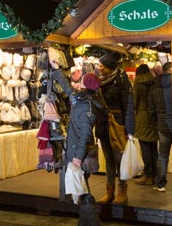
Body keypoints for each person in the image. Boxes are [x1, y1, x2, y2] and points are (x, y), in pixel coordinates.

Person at [52, 69, 104, 225]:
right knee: (82, 190)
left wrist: (78, 158)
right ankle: (85, 222)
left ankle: (93, 222)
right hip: (76, 151)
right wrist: (56, 70)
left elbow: (85, 135)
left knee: (84, 191)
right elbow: (68, 89)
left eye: (83, 79)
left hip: (79, 154)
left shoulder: (85, 106)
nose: (80, 80)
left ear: (86, 84)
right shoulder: (81, 99)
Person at [96, 52, 134, 205]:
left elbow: (128, 105)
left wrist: (129, 129)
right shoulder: (99, 81)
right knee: (108, 160)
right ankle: (109, 192)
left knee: (119, 159)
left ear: (110, 67)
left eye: (102, 66)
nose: (99, 68)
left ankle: (122, 191)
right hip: (103, 124)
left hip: (117, 124)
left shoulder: (122, 80)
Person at [149, 62, 172, 192]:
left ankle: (160, 184)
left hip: (162, 126)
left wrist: (157, 122)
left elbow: (151, 111)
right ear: (170, 70)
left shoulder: (154, 88)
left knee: (162, 155)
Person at [133, 64, 158, 186]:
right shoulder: (154, 83)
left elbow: (134, 103)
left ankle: (148, 175)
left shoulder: (138, 85)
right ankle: (155, 175)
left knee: (145, 147)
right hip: (154, 117)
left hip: (142, 117)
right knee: (153, 147)